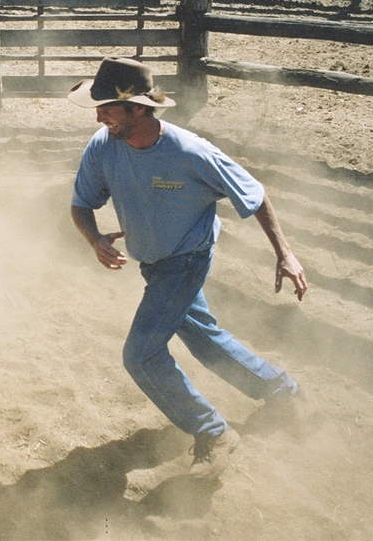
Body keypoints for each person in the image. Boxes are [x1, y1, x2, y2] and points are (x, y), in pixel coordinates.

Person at [68, 57, 308, 480]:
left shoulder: (189, 151)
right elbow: (82, 204)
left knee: (140, 356)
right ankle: (281, 390)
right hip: (154, 263)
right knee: (203, 338)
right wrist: (95, 239)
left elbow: (254, 193)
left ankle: (214, 433)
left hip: (187, 258)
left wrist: (285, 253)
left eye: (107, 105)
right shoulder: (104, 145)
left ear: (138, 108)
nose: (99, 114)